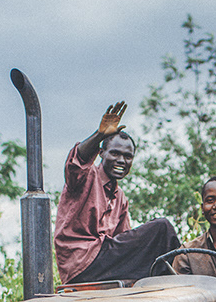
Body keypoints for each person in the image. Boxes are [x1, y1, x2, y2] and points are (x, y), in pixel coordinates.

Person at [55, 101, 179, 284]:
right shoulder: (84, 178)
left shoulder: (120, 197)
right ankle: (182, 280)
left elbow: (123, 239)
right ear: (102, 153)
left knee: (157, 257)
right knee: (162, 228)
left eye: (127, 157)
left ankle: (171, 287)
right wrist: (99, 135)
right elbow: (76, 162)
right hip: (82, 263)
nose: (121, 160)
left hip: (106, 263)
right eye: (115, 154)